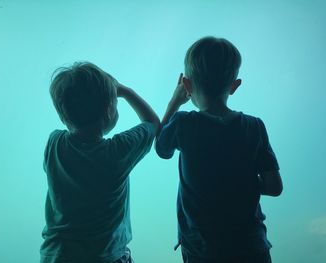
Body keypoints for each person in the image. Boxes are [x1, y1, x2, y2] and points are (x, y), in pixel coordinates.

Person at [155, 36, 283, 263]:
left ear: (186, 85)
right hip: (252, 247)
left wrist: (174, 103)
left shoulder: (183, 123)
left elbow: (162, 149)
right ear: (234, 86)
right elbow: (274, 187)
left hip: (203, 251)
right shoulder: (254, 126)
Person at [40, 62, 160, 263]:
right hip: (106, 256)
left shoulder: (55, 143)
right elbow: (152, 123)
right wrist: (125, 91)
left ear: (63, 114)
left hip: (57, 255)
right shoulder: (117, 151)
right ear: (108, 111)